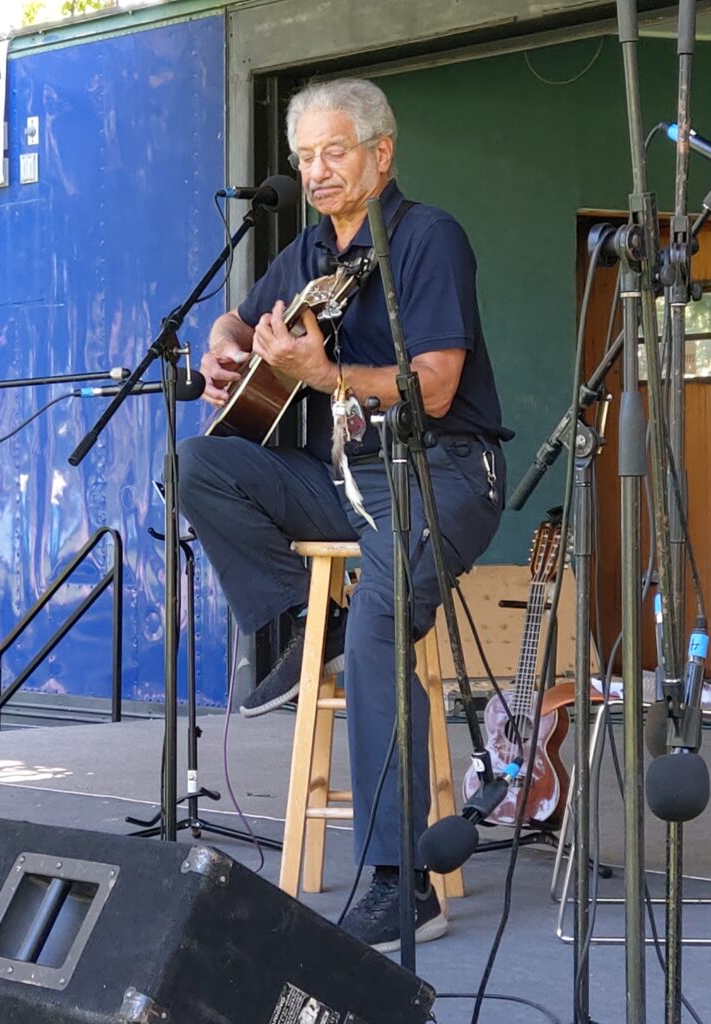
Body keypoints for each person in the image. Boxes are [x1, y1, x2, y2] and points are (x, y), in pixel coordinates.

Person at [178, 78, 511, 953]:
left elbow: (434, 390)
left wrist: (324, 376)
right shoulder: (304, 256)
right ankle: (305, 612)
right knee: (201, 461)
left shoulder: (429, 238)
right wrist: (223, 341)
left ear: (380, 153)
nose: (317, 172)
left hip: (444, 472)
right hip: (344, 477)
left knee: (378, 625)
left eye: (334, 152)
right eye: (305, 158)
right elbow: (237, 326)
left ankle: (404, 884)